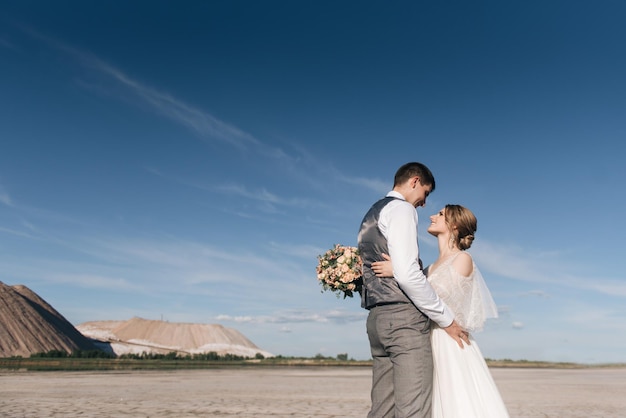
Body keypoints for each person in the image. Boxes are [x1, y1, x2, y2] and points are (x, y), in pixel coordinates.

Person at [372, 204, 510, 417]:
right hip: (426, 338)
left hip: (448, 342)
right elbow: (419, 291)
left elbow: (437, 296)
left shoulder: (463, 259)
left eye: (440, 214)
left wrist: (399, 272)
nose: (432, 216)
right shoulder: (429, 268)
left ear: (454, 225)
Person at [357, 162, 469, 418]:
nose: (424, 202)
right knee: (413, 411)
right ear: (415, 181)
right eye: (426, 193)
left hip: (376, 320)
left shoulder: (371, 214)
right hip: (403, 323)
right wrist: (447, 320)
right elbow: (408, 275)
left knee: (382, 410)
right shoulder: (402, 209)